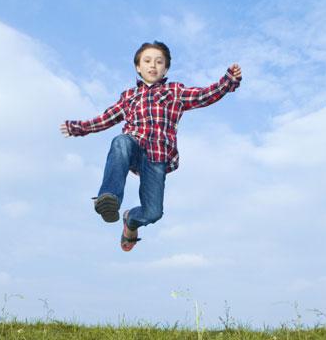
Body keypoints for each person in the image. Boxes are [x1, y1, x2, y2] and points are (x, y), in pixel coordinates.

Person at [60, 41, 242, 251]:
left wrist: (228, 81)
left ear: (165, 69)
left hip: (157, 157)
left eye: (159, 62)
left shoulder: (175, 91)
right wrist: (78, 127)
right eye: (147, 61)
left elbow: (204, 95)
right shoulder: (129, 96)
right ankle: (108, 198)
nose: (153, 66)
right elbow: (105, 119)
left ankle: (130, 221)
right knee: (121, 141)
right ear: (138, 67)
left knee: (153, 213)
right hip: (133, 146)